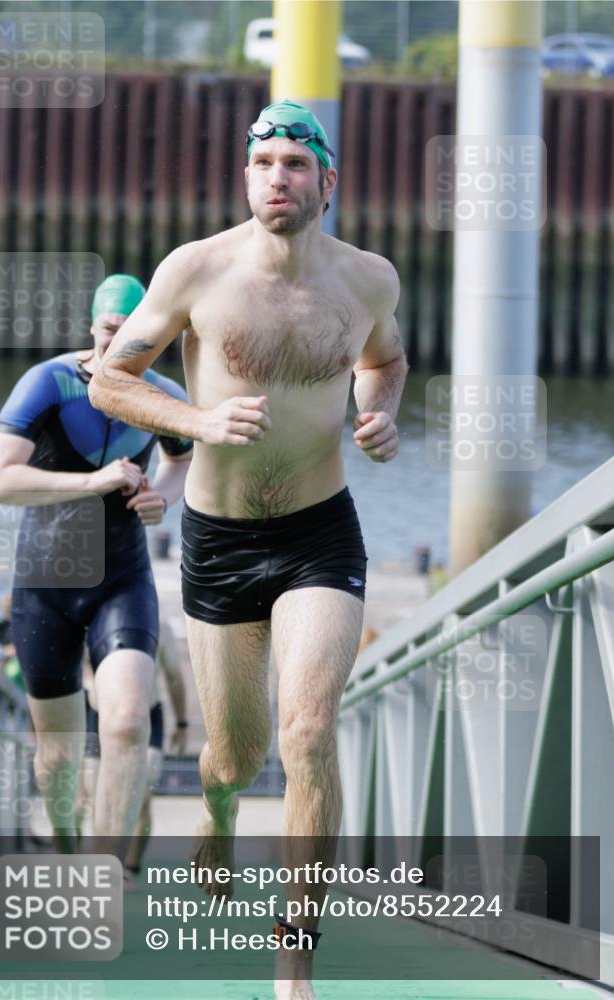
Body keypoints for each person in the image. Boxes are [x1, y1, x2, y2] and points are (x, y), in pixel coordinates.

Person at [89, 102, 408, 999]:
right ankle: (219, 810)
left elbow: (384, 360)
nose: (277, 177)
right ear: (244, 178)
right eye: (263, 163)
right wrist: (196, 421)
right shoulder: (196, 269)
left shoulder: (368, 279)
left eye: (295, 164)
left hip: (319, 532)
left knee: (306, 730)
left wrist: (380, 413)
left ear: (326, 182)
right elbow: (110, 380)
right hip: (220, 541)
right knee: (233, 756)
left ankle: (293, 956)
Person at [0, 274, 193, 853]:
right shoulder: (49, 382)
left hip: (122, 578)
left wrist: (163, 497)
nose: (116, 345)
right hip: (45, 584)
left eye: (132, 334)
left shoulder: (162, 395)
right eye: (107, 331)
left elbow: (182, 459)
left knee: (127, 720)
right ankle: (69, 845)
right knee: (59, 756)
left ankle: (104, 868)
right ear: (91, 327)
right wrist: (92, 482)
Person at [79, 616, 189, 880]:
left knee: (141, 796)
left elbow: (174, 675)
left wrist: (182, 723)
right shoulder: (90, 616)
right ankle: (104, 863)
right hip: (99, 713)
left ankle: (130, 867)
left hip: (145, 714)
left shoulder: (161, 625)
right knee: (96, 797)